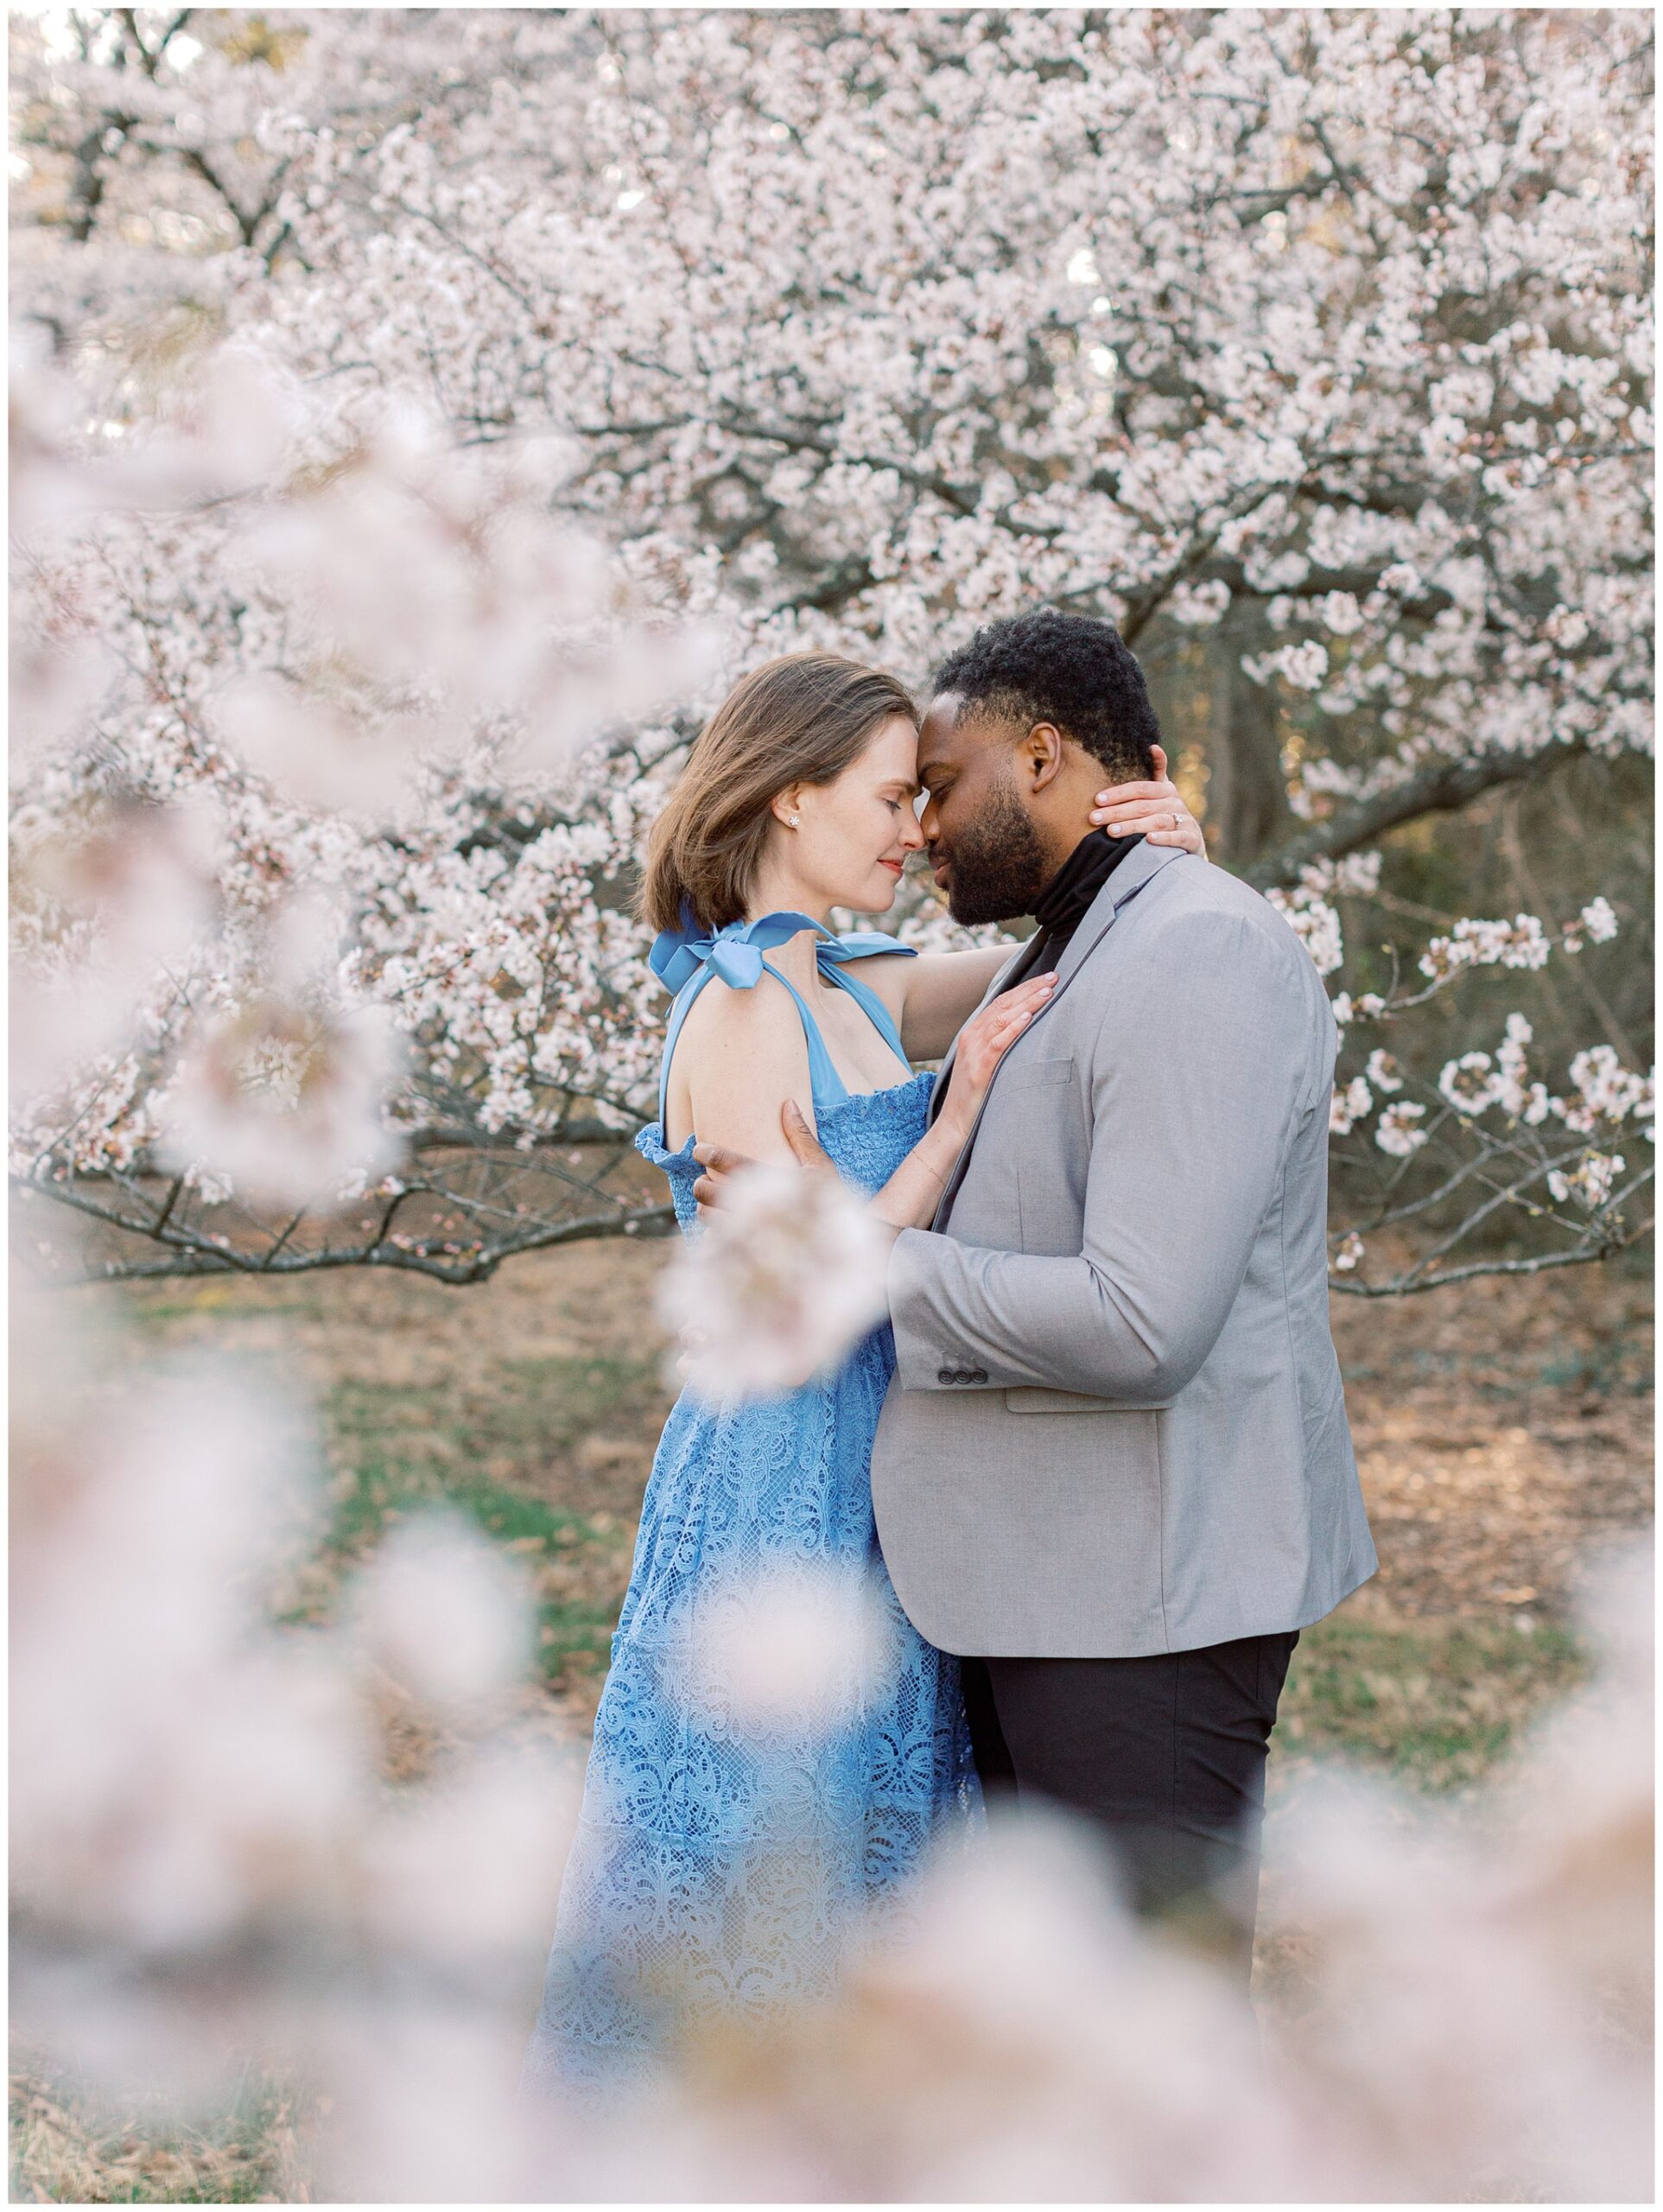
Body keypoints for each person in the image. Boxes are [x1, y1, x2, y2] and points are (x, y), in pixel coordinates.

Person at [520, 647, 1203, 2092]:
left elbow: (1059, 979)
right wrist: (948, 1133)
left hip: (886, 1477)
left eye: (918, 798)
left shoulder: (850, 979)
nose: (918, 830)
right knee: (766, 1861)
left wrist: (1164, 857)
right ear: (786, 798)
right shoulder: (742, 1006)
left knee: (873, 1875)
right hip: (779, 1479)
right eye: (891, 797)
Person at [702, 609, 1380, 1982]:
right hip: (1023, 1577)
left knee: (1153, 2032)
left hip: (1144, 1592)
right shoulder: (1060, 945)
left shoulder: (1192, 947)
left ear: (1045, 755)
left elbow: (1140, 1322)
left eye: (937, 788)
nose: (923, 831)